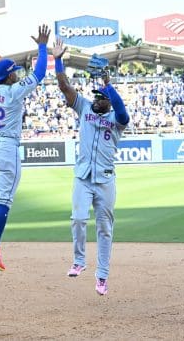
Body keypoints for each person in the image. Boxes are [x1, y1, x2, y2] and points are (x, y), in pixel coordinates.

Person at [53, 38, 130, 296]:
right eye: (95, 95)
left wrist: (108, 85)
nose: (96, 100)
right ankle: (79, 261)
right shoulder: (84, 106)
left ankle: (102, 276)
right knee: (77, 219)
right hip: (83, 177)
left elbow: (123, 113)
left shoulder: (117, 120)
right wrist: (58, 59)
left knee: (105, 229)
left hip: (106, 180)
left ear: (108, 101)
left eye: (101, 97)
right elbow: (64, 87)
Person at [0, 24, 51, 271]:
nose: (17, 74)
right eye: (14, 72)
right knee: (4, 201)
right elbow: (39, 73)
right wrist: (41, 46)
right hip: (7, 147)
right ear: (8, 76)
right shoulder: (14, 91)